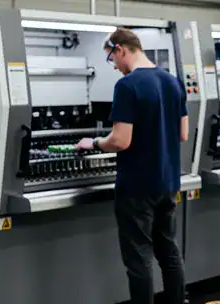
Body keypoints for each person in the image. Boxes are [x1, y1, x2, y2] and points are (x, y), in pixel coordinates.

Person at [75, 28, 189, 304]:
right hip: (168, 183)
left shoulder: (128, 86)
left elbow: (120, 140)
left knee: (139, 260)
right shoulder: (173, 82)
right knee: (169, 253)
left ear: (121, 49)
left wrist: (94, 143)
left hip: (137, 187)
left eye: (111, 59)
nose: (114, 67)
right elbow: (183, 134)